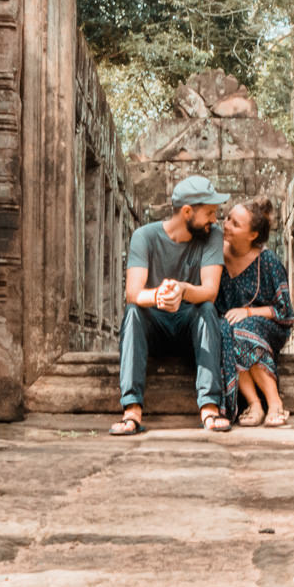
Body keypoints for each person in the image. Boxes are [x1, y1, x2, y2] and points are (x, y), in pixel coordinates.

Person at [111, 175, 232, 435]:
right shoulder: (144, 236)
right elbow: (133, 293)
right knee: (133, 313)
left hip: (190, 324)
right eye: (210, 213)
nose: (215, 219)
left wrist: (183, 290)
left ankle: (209, 406)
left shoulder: (213, 236)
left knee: (208, 310)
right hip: (155, 325)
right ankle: (131, 410)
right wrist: (160, 296)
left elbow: (210, 292)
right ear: (187, 212)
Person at [218, 197, 294, 427]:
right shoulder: (215, 256)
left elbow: (285, 312)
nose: (226, 225)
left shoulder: (268, 261)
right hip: (230, 325)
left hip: (267, 326)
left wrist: (249, 313)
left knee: (243, 329)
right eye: (228, 218)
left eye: (235, 224)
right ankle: (254, 404)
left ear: (252, 235)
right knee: (226, 329)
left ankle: (274, 402)